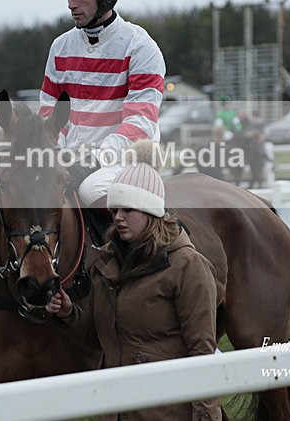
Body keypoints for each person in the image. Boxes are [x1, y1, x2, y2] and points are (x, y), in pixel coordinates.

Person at [45, 141, 222, 420]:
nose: (118, 217)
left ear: (151, 212)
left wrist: (205, 416)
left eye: (128, 210)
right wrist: (69, 314)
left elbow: (202, 351)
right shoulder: (106, 262)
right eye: (114, 210)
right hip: (116, 409)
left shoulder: (188, 266)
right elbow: (98, 337)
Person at [39, 0, 166, 212]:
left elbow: (140, 122)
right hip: (72, 159)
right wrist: (57, 153)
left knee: (90, 189)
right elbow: (50, 114)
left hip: (127, 160)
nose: (72, 4)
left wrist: (94, 159)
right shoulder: (59, 48)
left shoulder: (140, 47)